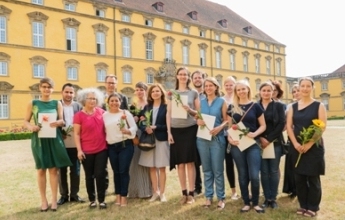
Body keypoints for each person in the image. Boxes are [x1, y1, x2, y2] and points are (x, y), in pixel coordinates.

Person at [24, 77, 72, 212]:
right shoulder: (33, 103)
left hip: (54, 138)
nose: (46, 89)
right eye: (44, 87)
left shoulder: (57, 103)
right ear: (40, 88)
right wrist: (31, 127)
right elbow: (26, 121)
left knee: (53, 170)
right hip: (39, 139)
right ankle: (43, 200)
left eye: (49, 87)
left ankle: (53, 200)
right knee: (40, 170)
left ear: (53, 89)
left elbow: (62, 121)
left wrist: (58, 122)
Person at [286, 77, 327, 217]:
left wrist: (309, 144)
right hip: (296, 148)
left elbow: (321, 127)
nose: (304, 88)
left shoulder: (319, 106)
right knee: (299, 178)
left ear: (312, 87)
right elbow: (289, 127)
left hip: (313, 148)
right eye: (302, 86)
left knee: (313, 178)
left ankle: (313, 207)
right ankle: (303, 205)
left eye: (307, 86)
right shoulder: (293, 107)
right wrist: (296, 144)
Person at [227, 80, 266, 213]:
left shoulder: (256, 106)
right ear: (236, 92)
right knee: (242, 174)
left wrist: (255, 133)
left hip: (253, 144)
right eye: (239, 90)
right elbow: (228, 126)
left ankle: (255, 202)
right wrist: (229, 138)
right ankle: (246, 202)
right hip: (237, 145)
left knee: (254, 175)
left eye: (244, 89)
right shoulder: (232, 107)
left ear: (248, 90)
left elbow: (263, 125)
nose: (241, 92)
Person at [167, 67, 199, 204]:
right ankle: (184, 193)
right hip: (175, 130)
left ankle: (191, 193)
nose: (183, 76)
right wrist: (169, 132)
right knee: (180, 164)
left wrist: (190, 110)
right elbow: (168, 113)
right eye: (180, 74)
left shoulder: (193, 93)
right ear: (177, 76)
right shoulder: (171, 93)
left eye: (185, 74)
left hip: (190, 129)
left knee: (190, 163)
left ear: (188, 77)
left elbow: (199, 113)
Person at [196, 78, 228, 210]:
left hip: (217, 139)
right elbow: (197, 117)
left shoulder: (222, 102)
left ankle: (221, 198)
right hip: (202, 140)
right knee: (206, 169)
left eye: (211, 86)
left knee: (218, 170)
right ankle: (208, 197)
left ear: (216, 87)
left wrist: (220, 128)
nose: (208, 88)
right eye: (206, 86)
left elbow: (227, 120)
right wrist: (198, 121)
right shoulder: (200, 102)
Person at [74, 88, 108, 209]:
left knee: (100, 174)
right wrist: (79, 150)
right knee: (89, 175)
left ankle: (102, 199)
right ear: (84, 100)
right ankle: (92, 200)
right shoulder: (78, 116)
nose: (93, 101)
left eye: (95, 98)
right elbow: (77, 134)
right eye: (90, 98)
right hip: (86, 150)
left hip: (102, 149)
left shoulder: (102, 112)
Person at [103, 93, 137, 207]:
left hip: (125, 145)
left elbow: (134, 127)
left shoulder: (125, 113)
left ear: (120, 102)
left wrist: (128, 131)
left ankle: (123, 196)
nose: (114, 103)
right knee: (116, 172)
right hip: (111, 147)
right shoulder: (105, 115)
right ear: (108, 103)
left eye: (116, 100)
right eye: (111, 101)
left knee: (123, 171)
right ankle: (117, 195)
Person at [139, 84, 170, 202]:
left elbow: (169, 124)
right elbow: (141, 122)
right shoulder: (147, 107)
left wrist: (156, 126)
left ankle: (162, 193)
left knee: (162, 167)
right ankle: (155, 192)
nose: (155, 93)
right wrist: (145, 128)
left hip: (161, 138)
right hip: (148, 139)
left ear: (161, 93)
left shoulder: (166, 107)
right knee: (151, 167)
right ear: (150, 94)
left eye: (157, 91)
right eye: (153, 91)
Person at [258, 82, 285, 209]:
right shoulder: (255, 106)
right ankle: (266, 197)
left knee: (273, 171)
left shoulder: (279, 106)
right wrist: (260, 138)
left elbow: (281, 124)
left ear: (273, 92)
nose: (266, 93)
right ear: (260, 92)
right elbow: (252, 124)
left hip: (275, 142)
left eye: (269, 90)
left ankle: (273, 198)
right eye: (264, 90)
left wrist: (268, 139)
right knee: (264, 171)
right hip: (259, 143)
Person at [57, 83, 85, 205]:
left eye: (71, 92)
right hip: (61, 142)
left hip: (75, 142)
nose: (69, 94)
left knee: (76, 170)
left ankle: (74, 194)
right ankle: (63, 195)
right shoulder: (56, 105)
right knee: (61, 171)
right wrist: (59, 133)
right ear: (62, 92)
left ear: (74, 94)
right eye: (66, 92)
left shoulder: (78, 106)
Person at [128, 82, 152, 199]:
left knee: (148, 162)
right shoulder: (133, 105)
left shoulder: (150, 104)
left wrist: (146, 119)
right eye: (137, 89)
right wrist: (134, 119)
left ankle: (148, 190)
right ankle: (136, 190)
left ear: (146, 91)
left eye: (141, 89)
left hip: (147, 134)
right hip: (136, 135)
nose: (139, 92)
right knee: (135, 161)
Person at [222, 76, 240, 200]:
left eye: (231, 85)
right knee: (229, 164)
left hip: (241, 135)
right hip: (225, 136)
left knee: (242, 164)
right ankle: (233, 191)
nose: (229, 87)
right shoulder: (221, 100)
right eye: (226, 85)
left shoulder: (240, 98)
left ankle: (245, 189)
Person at [282, 83, 300, 197]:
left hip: (304, 137)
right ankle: (293, 189)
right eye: (294, 91)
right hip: (292, 138)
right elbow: (286, 125)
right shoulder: (290, 107)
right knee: (292, 165)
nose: (296, 93)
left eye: (298, 90)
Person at [191, 70, 205, 196]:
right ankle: (197, 187)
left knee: (208, 160)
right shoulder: (190, 95)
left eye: (199, 77)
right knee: (195, 160)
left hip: (207, 129)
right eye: (195, 78)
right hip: (193, 129)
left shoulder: (208, 94)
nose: (197, 80)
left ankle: (211, 187)